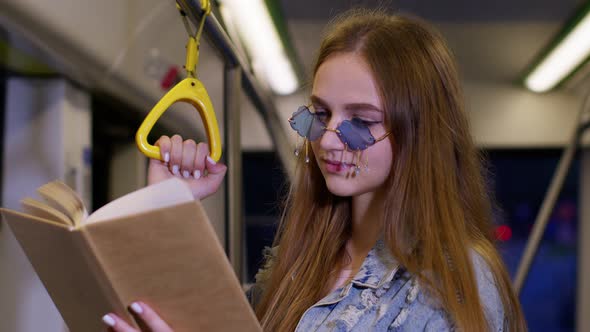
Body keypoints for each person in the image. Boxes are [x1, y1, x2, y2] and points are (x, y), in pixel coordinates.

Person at [102, 8, 527, 332]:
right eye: (320, 114)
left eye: (361, 121)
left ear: (420, 133)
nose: (326, 139)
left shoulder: (454, 279)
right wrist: (167, 206)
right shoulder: (301, 261)